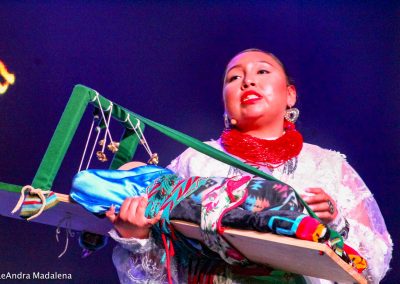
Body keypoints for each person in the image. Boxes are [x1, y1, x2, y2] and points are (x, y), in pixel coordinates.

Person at [105, 49, 392, 283]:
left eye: (262, 71)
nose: (247, 82)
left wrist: (336, 223)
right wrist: (137, 238)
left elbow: (372, 268)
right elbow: (163, 267)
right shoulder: (194, 161)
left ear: (290, 94)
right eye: (234, 78)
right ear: (225, 102)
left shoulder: (327, 166)